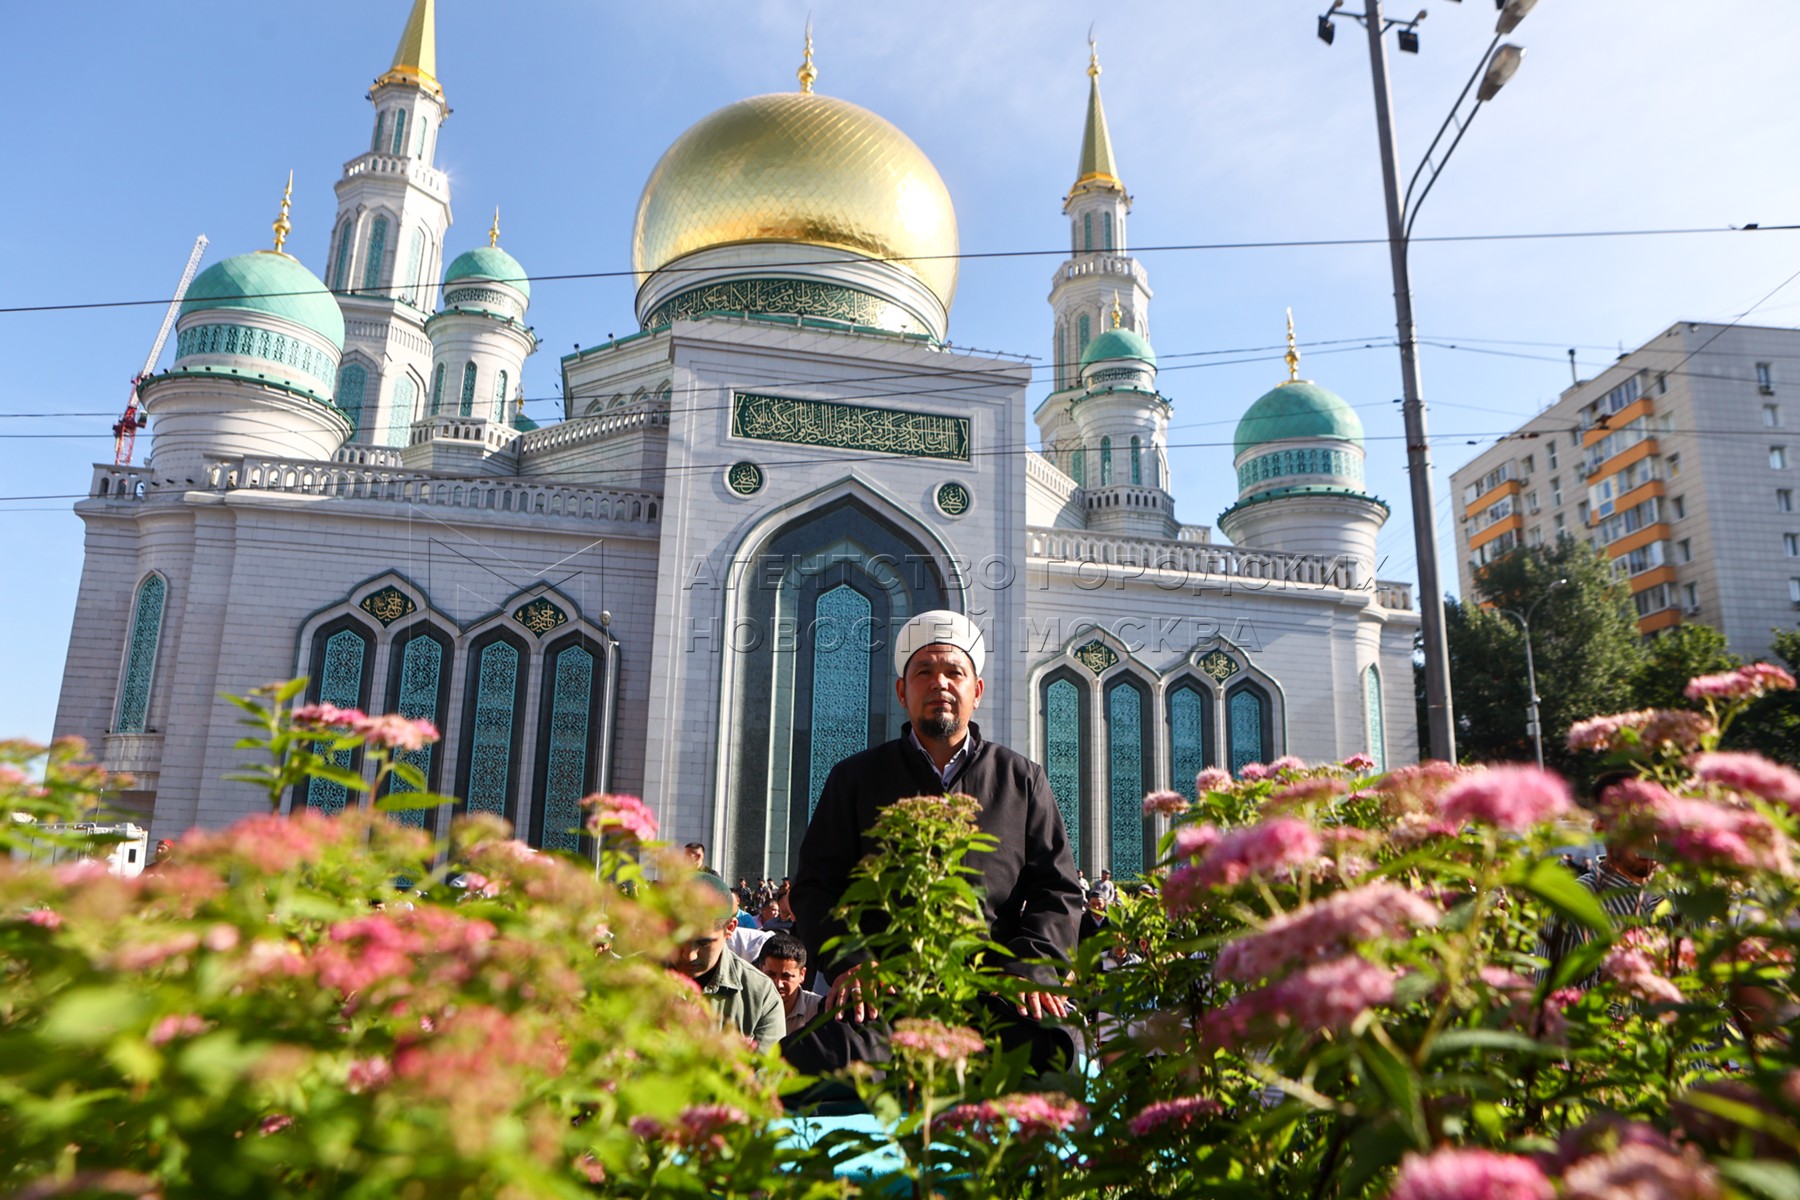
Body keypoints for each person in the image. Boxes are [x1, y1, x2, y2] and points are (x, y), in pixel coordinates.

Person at [786, 609, 1083, 1077]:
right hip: (884, 995)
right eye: (924, 671)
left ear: (976, 692)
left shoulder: (1021, 780)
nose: (940, 683)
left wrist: (1030, 968)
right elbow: (814, 887)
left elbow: (1058, 889)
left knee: (1052, 1059)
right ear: (903, 692)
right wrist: (852, 962)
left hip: (991, 993)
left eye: (954, 673)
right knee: (811, 1064)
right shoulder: (856, 778)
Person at [1536, 772, 1667, 989]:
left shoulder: (1685, 897)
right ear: (1600, 830)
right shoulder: (1572, 907)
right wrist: (1608, 983)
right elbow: (1548, 1005)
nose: (1651, 842)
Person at [668, 874, 785, 1048]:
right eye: (679, 939)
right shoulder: (630, 978)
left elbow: (768, 1071)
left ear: (730, 929)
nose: (689, 955)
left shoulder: (760, 995)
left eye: (703, 942)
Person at [756, 932, 824, 1035]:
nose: (778, 984)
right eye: (771, 975)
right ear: (760, 971)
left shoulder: (818, 1009)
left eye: (786, 976)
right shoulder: (747, 1006)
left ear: (802, 974)